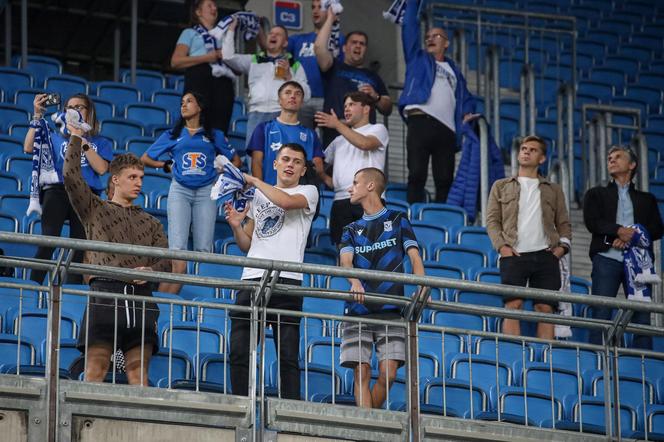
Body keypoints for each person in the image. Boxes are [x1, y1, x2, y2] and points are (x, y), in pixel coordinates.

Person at [63, 131, 171, 386]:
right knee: (95, 370)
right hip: (105, 293)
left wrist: (152, 271)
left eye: (141, 178)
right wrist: (77, 138)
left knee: (138, 376)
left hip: (142, 299)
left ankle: (140, 426)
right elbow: (70, 176)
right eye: (132, 177)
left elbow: (166, 261)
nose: (138, 183)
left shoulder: (152, 221)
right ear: (115, 180)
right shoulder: (94, 209)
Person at [225, 143, 319, 399]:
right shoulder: (258, 195)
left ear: (302, 170)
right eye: (285, 159)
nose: (290, 164)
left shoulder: (309, 191)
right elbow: (248, 243)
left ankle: (289, 412)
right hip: (252, 277)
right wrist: (236, 226)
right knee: (239, 349)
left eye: (296, 161)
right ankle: (241, 405)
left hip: (287, 280)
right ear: (275, 163)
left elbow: (287, 203)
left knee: (288, 355)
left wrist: (255, 181)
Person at [339, 167, 424, 408]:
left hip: (391, 310)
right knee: (361, 373)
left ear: (370, 186)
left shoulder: (398, 219)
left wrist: (422, 285)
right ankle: (369, 427)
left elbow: (414, 256)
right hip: (358, 310)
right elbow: (345, 262)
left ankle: (368, 421)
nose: (349, 188)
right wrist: (354, 281)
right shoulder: (350, 229)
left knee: (389, 375)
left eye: (355, 182)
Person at [140, 91, 238, 294]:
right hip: (180, 190)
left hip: (206, 191)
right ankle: (174, 295)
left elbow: (236, 161)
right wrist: (165, 165)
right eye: (182, 102)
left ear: (200, 107)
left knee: (203, 248)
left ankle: (197, 293)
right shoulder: (172, 134)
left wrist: (222, 168)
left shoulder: (214, 135)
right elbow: (145, 158)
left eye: (189, 101)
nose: (183, 105)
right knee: (177, 247)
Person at [486, 136, 571, 340]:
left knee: (545, 308)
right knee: (513, 305)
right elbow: (492, 221)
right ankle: (512, 354)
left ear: (542, 159)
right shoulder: (501, 185)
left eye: (532, 150)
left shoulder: (554, 189)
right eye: (524, 148)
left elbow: (564, 224)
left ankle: (546, 363)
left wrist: (560, 250)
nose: (525, 152)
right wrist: (502, 247)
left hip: (546, 256)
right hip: (513, 253)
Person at [24, 93, 113, 284]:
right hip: (57, 190)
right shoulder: (55, 137)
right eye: (69, 107)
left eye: (79, 107)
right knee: (48, 241)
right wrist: (37, 115)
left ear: (90, 113)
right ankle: (32, 288)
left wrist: (81, 138)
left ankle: (71, 297)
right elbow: (29, 147)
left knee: (79, 247)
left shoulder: (101, 142)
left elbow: (102, 168)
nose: (74, 111)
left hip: (86, 194)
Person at [583, 146, 663, 349]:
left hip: (638, 263)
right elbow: (592, 222)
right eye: (609, 157)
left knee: (641, 315)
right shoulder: (596, 194)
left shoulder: (647, 199)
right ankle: (598, 358)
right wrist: (619, 231)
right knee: (601, 311)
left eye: (618, 157)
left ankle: (642, 364)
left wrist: (632, 236)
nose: (611, 160)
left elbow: (657, 229)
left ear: (632, 164)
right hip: (607, 258)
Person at [399, 0, 478, 204]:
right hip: (420, 121)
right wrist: (413, 4)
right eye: (427, 37)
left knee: (444, 179)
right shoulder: (417, 58)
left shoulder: (455, 71)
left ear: (447, 43)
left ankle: (439, 219)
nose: (430, 39)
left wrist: (468, 112)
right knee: (416, 174)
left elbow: (466, 98)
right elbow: (409, 26)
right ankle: (413, 218)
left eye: (436, 36)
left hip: (447, 129)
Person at [315, 91, 389, 245]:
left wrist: (337, 124)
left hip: (370, 198)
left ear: (366, 109)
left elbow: (365, 144)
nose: (347, 109)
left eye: (352, 105)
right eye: (345, 106)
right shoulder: (338, 140)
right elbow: (320, 167)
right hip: (341, 201)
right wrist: (323, 176)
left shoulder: (378, 129)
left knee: (371, 251)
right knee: (342, 252)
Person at [222, 19, 311, 147]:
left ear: (285, 43)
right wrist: (231, 29)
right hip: (256, 113)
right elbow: (228, 57)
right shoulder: (254, 60)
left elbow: (306, 95)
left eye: (278, 34)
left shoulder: (294, 64)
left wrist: (289, 77)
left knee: (280, 157)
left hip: (281, 113)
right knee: (253, 156)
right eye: (271, 33)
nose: (273, 35)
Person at [315, 8, 392, 147]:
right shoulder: (333, 67)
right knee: (332, 169)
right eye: (354, 42)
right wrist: (330, 19)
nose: (358, 46)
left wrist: (376, 97)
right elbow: (319, 48)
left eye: (362, 44)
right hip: (334, 132)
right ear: (344, 48)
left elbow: (387, 108)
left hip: (363, 135)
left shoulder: (373, 76)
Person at [170, 0, 236, 133]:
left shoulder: (223, 37)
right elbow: (175, 61)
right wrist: (207, 58)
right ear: (198, 12)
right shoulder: (190, 33)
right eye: (209, 6)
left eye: (215, 6)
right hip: (199, 76)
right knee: (197, 122)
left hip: (223, 82)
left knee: (219, 126)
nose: (214, 9)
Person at [247, 81, 325, 185]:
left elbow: (318, 168)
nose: (293, 96)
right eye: (288, 93)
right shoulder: (263, 129)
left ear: (302, 102)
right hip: (270, 193)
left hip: (299, 196)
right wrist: (261, 190)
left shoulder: (311, 135)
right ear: (279, 100)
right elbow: (256, 163)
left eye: (297, 94)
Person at [287, 0, 344, 129]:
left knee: (326, 145)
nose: (315, 10)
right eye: (313, 7)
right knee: (300, 142)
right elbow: (275, 48)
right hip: (302, 99)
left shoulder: (339, 40)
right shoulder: (298, 39)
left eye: (320, 7)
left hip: (327, 98)